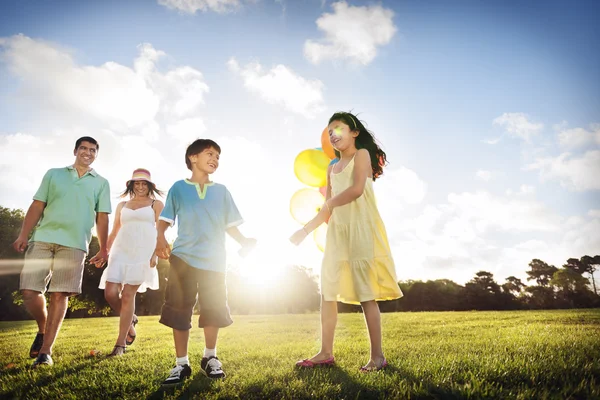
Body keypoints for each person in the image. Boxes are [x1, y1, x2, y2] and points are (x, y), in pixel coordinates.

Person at [290, 112, 403, 372]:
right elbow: (326, 210)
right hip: (337, 235)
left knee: (366, 294)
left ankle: (378, 357)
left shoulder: (361, 155)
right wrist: (305, 231)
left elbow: (356, 190)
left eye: (338, 128)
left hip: (362, 230)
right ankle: (325, 353)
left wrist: (328, 202)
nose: (333, 134)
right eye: (330, 131)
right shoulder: (331, 167)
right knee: (327, 292)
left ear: (354, 133)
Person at [155, 139, 256, 385]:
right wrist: (159, 238)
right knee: (179, 308)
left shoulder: (222, 191)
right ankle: (181, 364)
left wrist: (244, 241)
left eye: (218, 156)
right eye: (210, 154)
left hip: (214, 260)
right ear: (193, 158)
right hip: (183, 257)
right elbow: (166, 218)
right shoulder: (178, 188)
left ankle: (210, 357)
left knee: (213, 308)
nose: (215, 159)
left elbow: (229, 225)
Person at [12, 136, 112, 367]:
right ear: (75, 150)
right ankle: (43, 328)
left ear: (96, 154)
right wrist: (23, 234)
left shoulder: (101, 182)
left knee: (60, 294)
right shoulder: (54, 174)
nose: (87, 152)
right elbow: (38, 204)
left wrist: (104, 249)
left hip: (76, 243)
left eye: (92, 150)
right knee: (29, 291)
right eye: (83, 148)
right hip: (43, 238)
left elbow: (102, 217)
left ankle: (45, 352)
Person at [98, 168, 164, 357]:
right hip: (120, 250)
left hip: (143, 252)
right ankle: (131, 320)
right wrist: (104, 251)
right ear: (131, 185)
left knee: (128, 296)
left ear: (150, 186)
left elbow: (161, 231)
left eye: (144, 183)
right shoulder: (122, 205)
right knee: (110, 293)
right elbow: (114, 231)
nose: (141, 187)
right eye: (137, 183)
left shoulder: (156, 204)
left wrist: (156, 253)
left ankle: (120, 345)